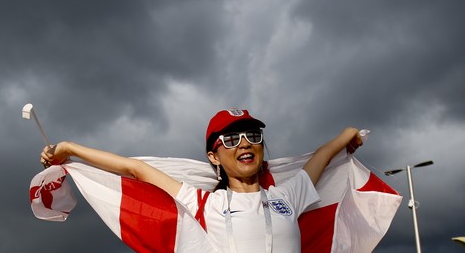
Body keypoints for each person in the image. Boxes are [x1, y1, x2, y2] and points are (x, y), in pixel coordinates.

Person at [40, 108, 363, 252]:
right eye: (231, 140)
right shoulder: (205, 202)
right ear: (213, 157)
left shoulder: (288, 196)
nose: (245, 144)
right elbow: (135, 168)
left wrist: (348, 136)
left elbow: (323, 154)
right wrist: (70, 149)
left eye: (252, 136)